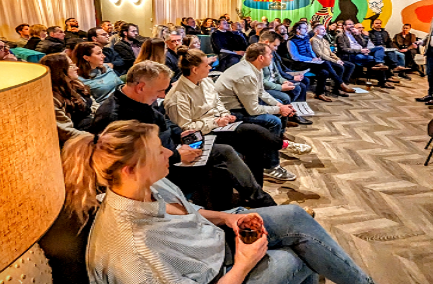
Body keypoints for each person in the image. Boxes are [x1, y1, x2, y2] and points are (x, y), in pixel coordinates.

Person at [62, 118, 433, 284]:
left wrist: (229, 220)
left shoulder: (150, 184)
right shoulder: (134, 256)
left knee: (295, 218)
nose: (170, 150)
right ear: (130, 169)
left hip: (214, 255)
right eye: (158, 149)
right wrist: (247, 262)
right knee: (297, 258)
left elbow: (185, 214)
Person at [91, 61, 276, 210]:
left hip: (173, 151)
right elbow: (129, 161)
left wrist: (180, 133)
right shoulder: (113, 116)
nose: (163, 95)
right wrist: (178, 156)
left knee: (242, 143)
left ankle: (246, 199)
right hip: (160, 167)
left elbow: (163, 121)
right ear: (140, 87)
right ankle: (259, 201)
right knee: (225, 153)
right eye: (160, 91)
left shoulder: (140, 98)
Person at [164, 46, 286, 186]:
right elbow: (187, 129)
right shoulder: (178, 96)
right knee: (254, 130)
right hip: (203, 134)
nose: (210, 68)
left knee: (255, 144)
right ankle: (282, 145)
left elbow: (217, 102)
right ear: (195, 70)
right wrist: (216, 122)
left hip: (218, 124)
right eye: (207, 65)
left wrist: (225, 114)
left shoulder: (206, 81)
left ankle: (256, 188)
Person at [215, 43, 313, 181]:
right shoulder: (246, 74)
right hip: (229, 113)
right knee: (274, 121)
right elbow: (253, 109)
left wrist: (279, 105)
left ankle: (273, 145)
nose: (272, 56)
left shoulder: (255, 68)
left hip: (241, 105)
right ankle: (270, 166)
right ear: (261, 57)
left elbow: (261, 92)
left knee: (280, 110)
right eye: (269, 54)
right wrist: (279, 109)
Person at [40, 53, 98, 144]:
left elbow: (93, 102)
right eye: (71, 66)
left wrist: (101, 116)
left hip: (94, 123)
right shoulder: (52, 99)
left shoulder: (76, 83)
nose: (77, 68)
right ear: (59, 70)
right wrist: (95, 138)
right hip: (80, 139)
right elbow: (66, 132)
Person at [259, 32, 313, 125]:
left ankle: (290, 114)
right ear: (267, 42)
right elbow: (261, 82)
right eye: (275, 46)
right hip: (262, 88)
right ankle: (284, 122)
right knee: (285, 97)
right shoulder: (257, 56)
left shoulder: (270, 53)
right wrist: (280, 87)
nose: (276, 49)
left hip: (272, 83)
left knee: (297, 87)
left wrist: (285, 81)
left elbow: (276, 73)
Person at [288, 21, 351, 100]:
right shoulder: (291, 41)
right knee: (326, 63)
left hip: (311, 62)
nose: (307, 30)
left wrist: (315, 58)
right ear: (298, 30)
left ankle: (319, 93)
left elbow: (310, 51)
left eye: (307, 28)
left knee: (325, 72)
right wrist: (311, 59)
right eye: (304, 28)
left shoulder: (306, 38)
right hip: (299, 63)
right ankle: (340, 83)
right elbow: (295, 57)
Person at [336, 20, 394, 89]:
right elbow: (344, 49)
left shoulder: (355, 34)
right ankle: (383, 81)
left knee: (380, 48)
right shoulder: (341, 36)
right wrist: (360, 51)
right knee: (376, 59)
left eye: (352, 24)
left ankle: (379, 63)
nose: (351, 25)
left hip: (363, 51)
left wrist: (358, 35)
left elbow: (364, 44)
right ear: (344, 26)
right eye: (349, 24)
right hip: (352, 54)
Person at [310, 24, 356, 93]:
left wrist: (338, 59)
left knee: (350, 65)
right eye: (322, 29)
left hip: (330, 59)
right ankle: (339, 87)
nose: (324, 30)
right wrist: (335, 61)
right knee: (340, 67)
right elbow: (320, 54)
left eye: (324, 29)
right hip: (323, 61)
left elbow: (331, 53)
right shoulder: (314, 40)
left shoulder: (325, 40)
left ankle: (343, 84)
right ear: (316, 31)